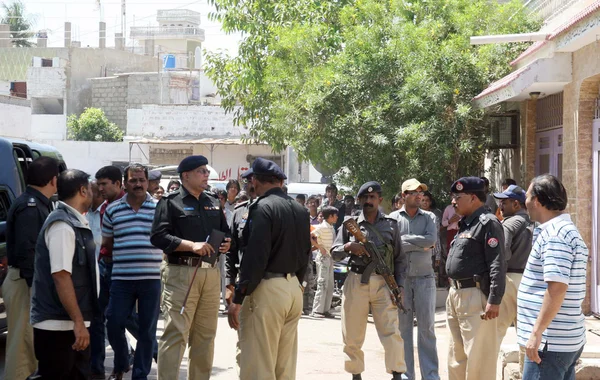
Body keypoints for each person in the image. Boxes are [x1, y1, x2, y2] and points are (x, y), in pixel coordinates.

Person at [227, 157, 310, 380]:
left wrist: (238, 297)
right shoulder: (300, 210)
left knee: (258, 366)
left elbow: (255, 258)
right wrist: (298, 285)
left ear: (255, 180)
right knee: (284, 367)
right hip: (292, 288)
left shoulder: (262, 207)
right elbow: (305, 254)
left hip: (267, 289)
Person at [150, 155, 231, 380]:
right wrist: (190, 245)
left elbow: (226, 232)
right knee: (176, 334)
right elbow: (158, 237)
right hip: (181, 273)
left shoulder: (214, 201)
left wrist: (227, 243)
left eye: (206, 171)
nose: (206, 175)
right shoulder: (170, 201)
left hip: (210, 273)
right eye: (201, 171)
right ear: (186, 175)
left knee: (205, 336)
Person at [331, 181, 407, 380]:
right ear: (359, 200)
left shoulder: (391, 225)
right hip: (357, 280)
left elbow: (400, 259)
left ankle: (397, 373)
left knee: (391, 330)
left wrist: (399, 286)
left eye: (372, 197)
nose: (368, 201)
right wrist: (349, 246)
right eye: (364, 197)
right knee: (352, 333)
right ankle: (356, 374)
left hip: (384, 282)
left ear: (380, 200)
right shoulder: (350, 224)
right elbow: (334, 252)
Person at [30, 169, 99, 379]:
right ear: (82, 191)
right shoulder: (62, 225)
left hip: (69, 322)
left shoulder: (73, 221)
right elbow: (61, 276)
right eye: (91, 188)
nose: (94, 193)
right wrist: (78, 322)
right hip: (59, 325)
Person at [518, 175, 588, 380]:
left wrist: (537, 333)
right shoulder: (561, 230)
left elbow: (557, 288)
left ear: (538, 201)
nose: (526, 202)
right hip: (559, 341)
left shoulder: (556, 235)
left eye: (528, 196)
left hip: (550, 343)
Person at [102, 164, 163, 380]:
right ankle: (122, 361)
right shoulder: (112, 210)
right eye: (132, 180)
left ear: (148, 182)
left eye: (141, 180)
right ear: (124, 183)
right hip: (122, 278)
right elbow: (107, 244)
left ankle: (140, 375)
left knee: (147, 330)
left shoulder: (160, 208)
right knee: (114, 320)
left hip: (151, 278)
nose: (137, 184)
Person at [445, 177, 506, 380]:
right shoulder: (466, 223)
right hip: (455, 295)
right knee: (456, 357)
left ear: (472, 198)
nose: (453, 202)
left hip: (475, 296)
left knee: (478, 360)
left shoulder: (488, 223)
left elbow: (497, 263)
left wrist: (494, 300)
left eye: (457, 197)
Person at [4, 156, 59, 380]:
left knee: (30, 345)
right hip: (25, 283)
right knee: (22, 347)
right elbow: (28, 251)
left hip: (26, 281)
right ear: (53, 180)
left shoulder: (36, 203)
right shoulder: (30, 206)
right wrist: (35, 288)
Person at [389, 179, 439, 380]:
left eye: (421, 193)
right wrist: (419, 243)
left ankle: (431, 376)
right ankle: (406, 375)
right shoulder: (392, 219)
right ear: (403, 196)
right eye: (414, 192)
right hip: (401, 281)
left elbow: (431, 240)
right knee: (403, 330)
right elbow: (392, 247)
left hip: (425, 279)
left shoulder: (429, 217)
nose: (419, 196)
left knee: (426, 329)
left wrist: (404, 241)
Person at [493, 185, 533, 348]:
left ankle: (488, 373)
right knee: (525, 335)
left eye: (504, 202)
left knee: (495, 333)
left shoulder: (509, 224)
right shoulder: (533, 222)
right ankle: (525, 373)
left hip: (509, 280)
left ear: (516, 204)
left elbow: (502, 253)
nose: (500, 206)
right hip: (529, 280)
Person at [310, 206, 339, 318]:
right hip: (323, 257)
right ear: (330, 216)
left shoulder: (331, 227)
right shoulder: (322, 227)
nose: (337, 217)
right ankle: (317, 310)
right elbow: (311, 236)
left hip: (330, 257)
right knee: (322, 283)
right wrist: (319, 247)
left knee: (330, 284)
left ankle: (325, 309)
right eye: (335, 215)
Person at [420, 191, 446, 286]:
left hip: (432, 254)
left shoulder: (434, 217)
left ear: (430, 202)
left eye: (427, 200)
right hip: (419, 253)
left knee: (431, 280)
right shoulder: (415, 217)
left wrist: (438, 255)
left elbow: (436, 236)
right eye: (423, 200)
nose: (425, 202)